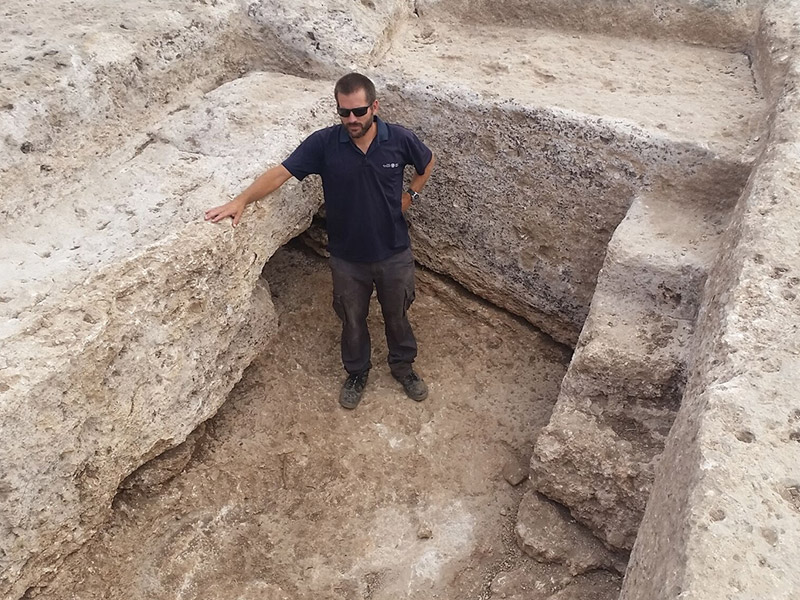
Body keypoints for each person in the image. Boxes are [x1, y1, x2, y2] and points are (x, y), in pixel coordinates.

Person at [204, 72, 435, 410]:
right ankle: (357, 372)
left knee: (397, 313)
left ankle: (403, 367)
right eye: (344, 112)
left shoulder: (399, 139)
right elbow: (280, 173)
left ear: (375, 106)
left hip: (393, 251)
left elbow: (426, 163)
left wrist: (410, 195)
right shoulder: (324, 144)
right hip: (347, 257)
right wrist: (241, 200)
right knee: (351, 318)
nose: (351, 120)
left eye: (358, 111)